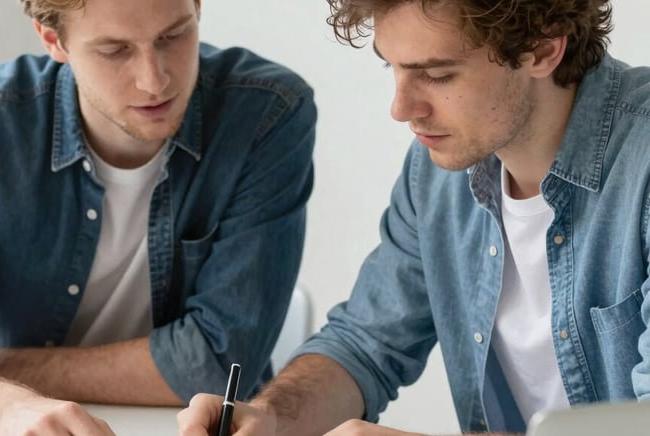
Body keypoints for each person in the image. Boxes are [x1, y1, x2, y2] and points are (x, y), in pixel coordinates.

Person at [177, 0, 650, 435]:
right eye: (394, 68)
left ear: (543, 50)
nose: (401, 109)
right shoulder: (439, 170)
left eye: (438, 75)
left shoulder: (641, 166)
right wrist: (271, 415)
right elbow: (364, 344)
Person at [0, 0, 316, 434]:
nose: (155, 80)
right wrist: (3, 410)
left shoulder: (268, 113)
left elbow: (217, 360)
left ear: (198, 8)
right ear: (53, 40)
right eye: (115, 50)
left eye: (172, 36)